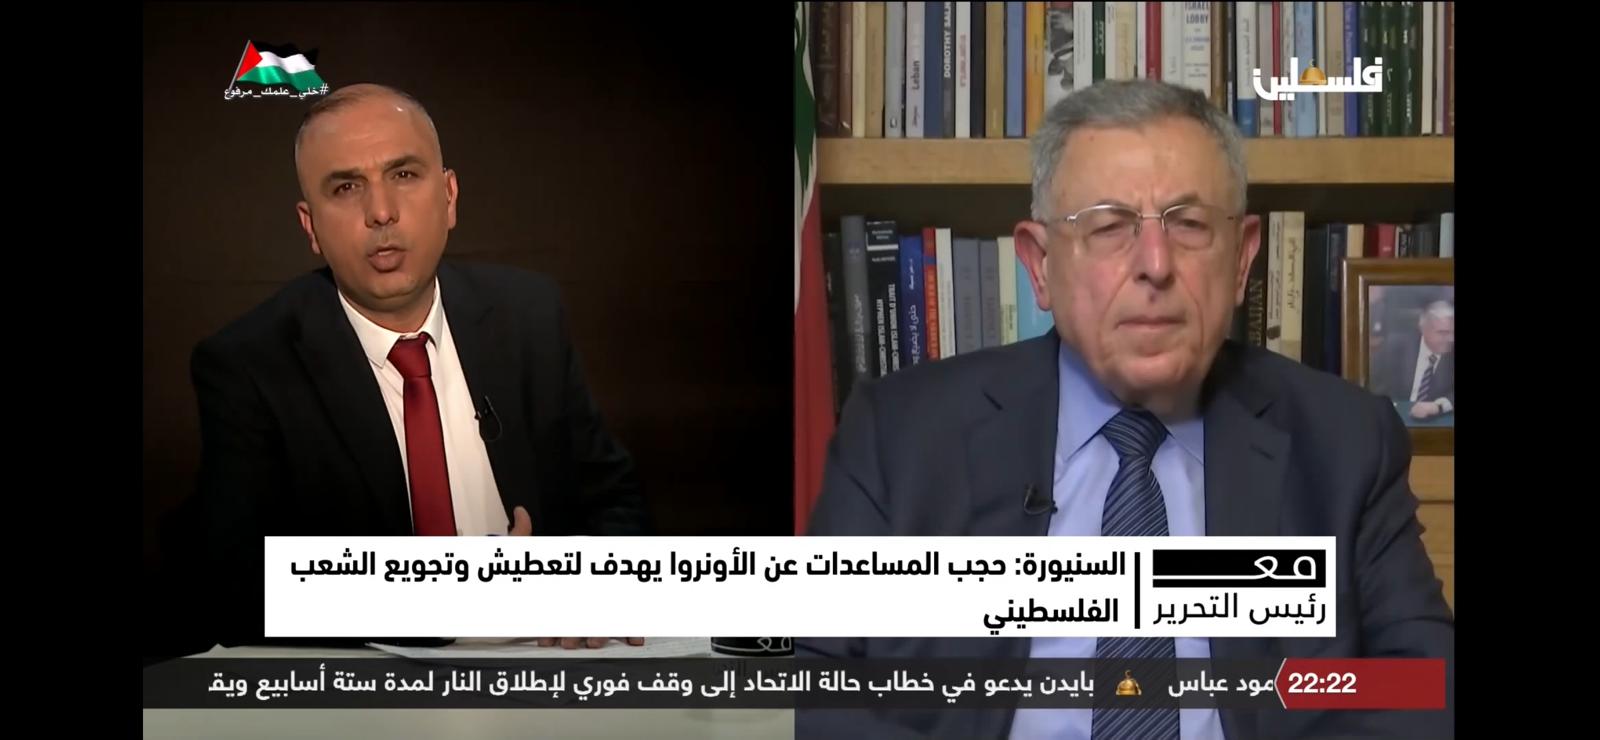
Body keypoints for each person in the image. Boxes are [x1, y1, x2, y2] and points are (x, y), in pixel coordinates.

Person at [798, 80, 1453, 739]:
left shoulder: (1345, 443)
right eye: (1109, 227)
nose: (1155, 265)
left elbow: (1428, 684)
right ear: (1040, 265)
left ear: (1243, 257)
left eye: (1190, 224)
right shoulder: (899, 435)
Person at [190, 83, 649, 649]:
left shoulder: (528, 316)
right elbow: (244, 587)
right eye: (346, 187)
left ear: (449, 197)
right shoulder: (249, 365)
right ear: (310, 227)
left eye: (404, 174)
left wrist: (599, 586)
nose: (381, 212)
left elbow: (612, 500)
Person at [1372, 299, 1455, 421]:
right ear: (1423, 329)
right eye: (1442, 333)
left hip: (1437, 422)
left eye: (1452, 332)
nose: (1451, 339)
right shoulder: (1394, 348)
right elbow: (1374, 385)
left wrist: (1438, 406)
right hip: (1395, 418)